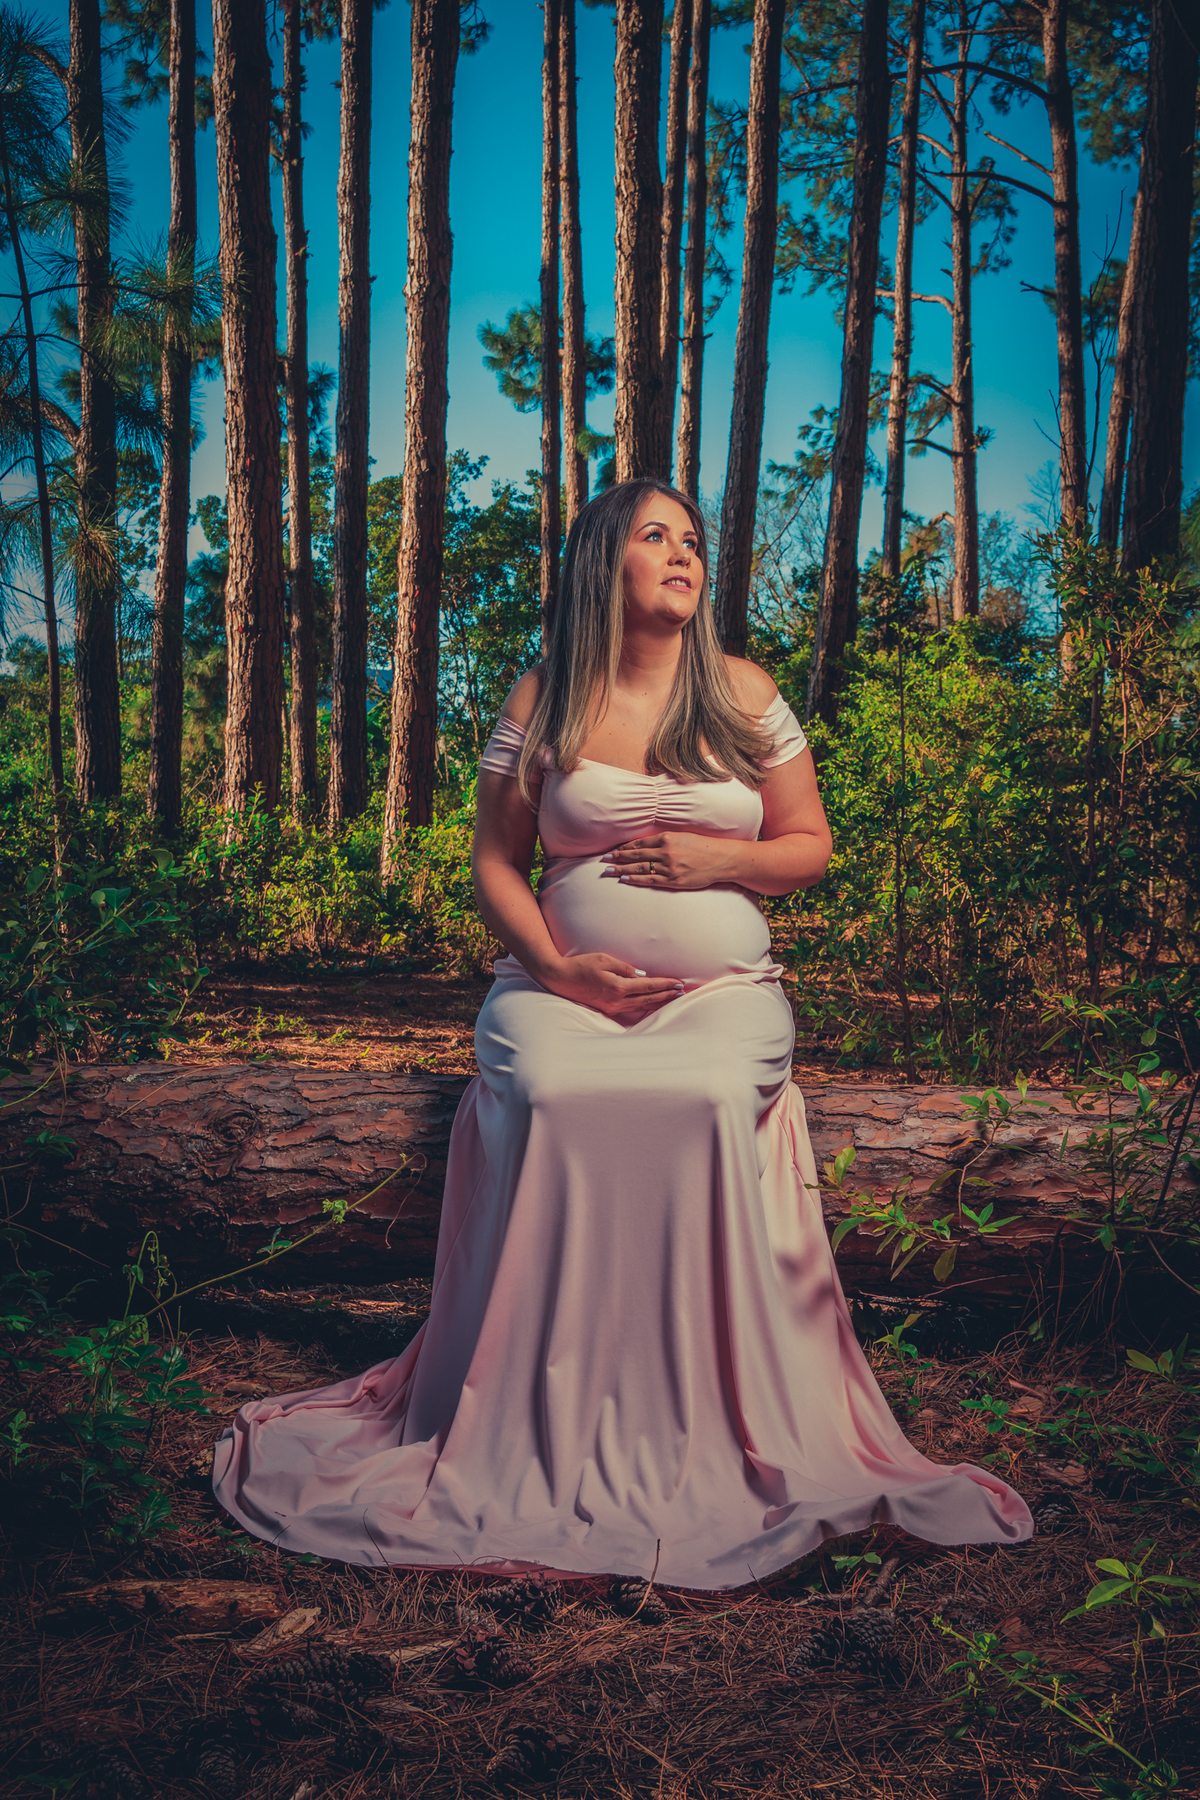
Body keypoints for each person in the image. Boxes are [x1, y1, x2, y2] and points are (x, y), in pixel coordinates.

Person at [213, 478, 1032, 1587]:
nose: (685, 554)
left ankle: (692, 1397)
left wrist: (721, 860)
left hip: (721, 997)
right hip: (556, 994)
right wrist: (557, 967)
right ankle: (543, 1401)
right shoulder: (546, 694)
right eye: (657, 537)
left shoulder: (741, 692)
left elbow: (809, 844)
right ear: (608, 561)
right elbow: (494, 859)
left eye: (694, 538)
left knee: (701, 1101)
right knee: (547, 1096)